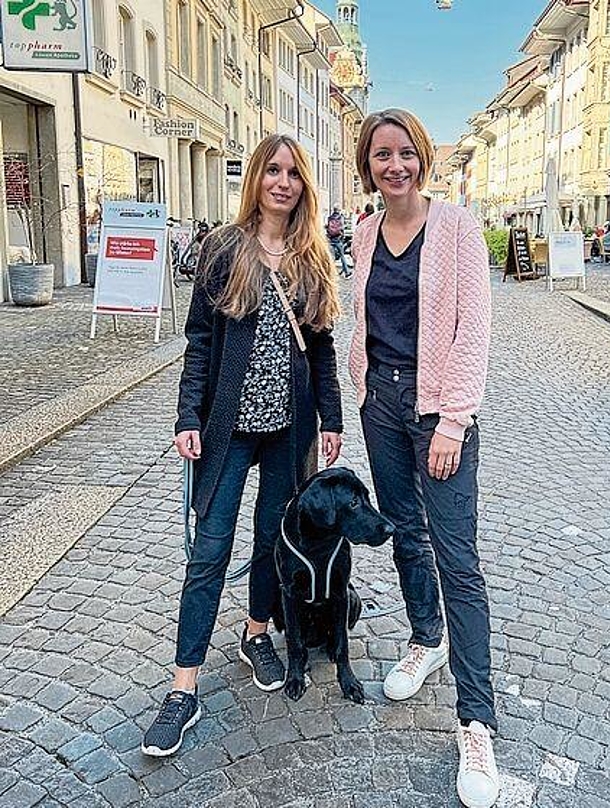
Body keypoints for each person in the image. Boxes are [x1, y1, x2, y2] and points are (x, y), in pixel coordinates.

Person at [141, 134, 343, 758]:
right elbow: (199, 341)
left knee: (270, 541)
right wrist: (187, 416)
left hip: (291, 428)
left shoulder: (314, 256)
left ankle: (257, 631)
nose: (282, 182)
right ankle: (183, 687)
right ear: (255, 177)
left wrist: (331, 420)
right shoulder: (223, 249)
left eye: (293, 173)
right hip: (228, 428)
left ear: (304, 185)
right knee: (209, 549)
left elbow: (325, 348)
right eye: (272, 170)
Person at [349, 108, 499, 808]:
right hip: (380, 405)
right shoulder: (364, 230)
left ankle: (476, 723)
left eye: (406, 153)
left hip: (439, 411)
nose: (396, 165)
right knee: (404, 533)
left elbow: (472, 331)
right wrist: (360, 390)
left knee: (457, 558)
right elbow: (363, 320)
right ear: (367, 165)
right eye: (383, 155)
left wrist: (453, 421)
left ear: (423, 159)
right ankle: (424, 638)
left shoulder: (459, 228)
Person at [326, 206, 351, 278]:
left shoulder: (330, 218)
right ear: (338, 210)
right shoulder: (340, 218)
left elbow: (327, 226)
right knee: (342, 256)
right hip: (338, 239)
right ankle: (347, 272)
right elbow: (342, 228)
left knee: (331, 257)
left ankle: (330, 272)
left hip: (331, 239)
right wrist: (342, 236)